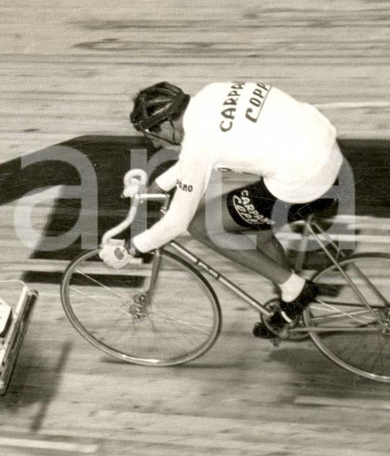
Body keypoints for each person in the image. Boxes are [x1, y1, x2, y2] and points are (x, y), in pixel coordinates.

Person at [102, 81, 346, 339]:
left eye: (151, 136)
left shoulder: (198, 144)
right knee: (257, 232)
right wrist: (160, 185)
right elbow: (205, 156)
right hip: (329, 155)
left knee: (202, 225)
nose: (153, 144)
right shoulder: (211, 93)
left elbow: (177, 221)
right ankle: (293, 309)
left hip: (308, 180)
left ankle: (296, 290)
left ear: (165, 125)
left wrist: (129, 249)